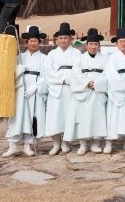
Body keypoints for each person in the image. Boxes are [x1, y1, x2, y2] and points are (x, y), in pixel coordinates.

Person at [2, 26, 47, 157]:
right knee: (17, 117)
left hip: (35, 92)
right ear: (27, 42)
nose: (33, 43)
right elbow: (9, 74)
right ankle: (13, 145)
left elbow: (46, 75)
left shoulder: (44, 58)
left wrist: (37, 86)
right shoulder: (19, 57)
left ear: (39, 42)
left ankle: (28, 145)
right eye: (31, 41)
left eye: (35, 41)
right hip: (21, 90)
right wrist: (18, 70)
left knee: (32, 117)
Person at [63, 28, 108, 155]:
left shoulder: (105, 59)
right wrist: (87, 83)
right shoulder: (80, 58)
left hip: (98, 91)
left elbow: (107, 74)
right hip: (83, 91)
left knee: (98, 117)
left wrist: (97, 84)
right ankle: (82, 144)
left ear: (99, 45)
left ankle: (95, 144)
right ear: (86, 45)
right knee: (82, 118)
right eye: (91, 44)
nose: (93, 47)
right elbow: (76, 74)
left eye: (96, 44)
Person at [43, 22, 81, 155]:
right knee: (55, 116)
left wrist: (69, 79)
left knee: (68, 116)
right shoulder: (52, 54)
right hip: (56, 89)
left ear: (70, 39)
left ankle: (65, 142)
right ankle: (56, 143)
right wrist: (61, 79)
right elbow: (47, 71)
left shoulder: (76, 53)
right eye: (60, 38)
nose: (63, 40)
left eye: (65, 38)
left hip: (71, 88)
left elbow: (78, 70)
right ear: (57, 40)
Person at [104, 28, 125, 154]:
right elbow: (112, 76)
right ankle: (109, 143)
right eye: (120, 41)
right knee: (114, 116)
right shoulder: (112, 58)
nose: (123, 44)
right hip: (117, 91)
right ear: (116, 44)